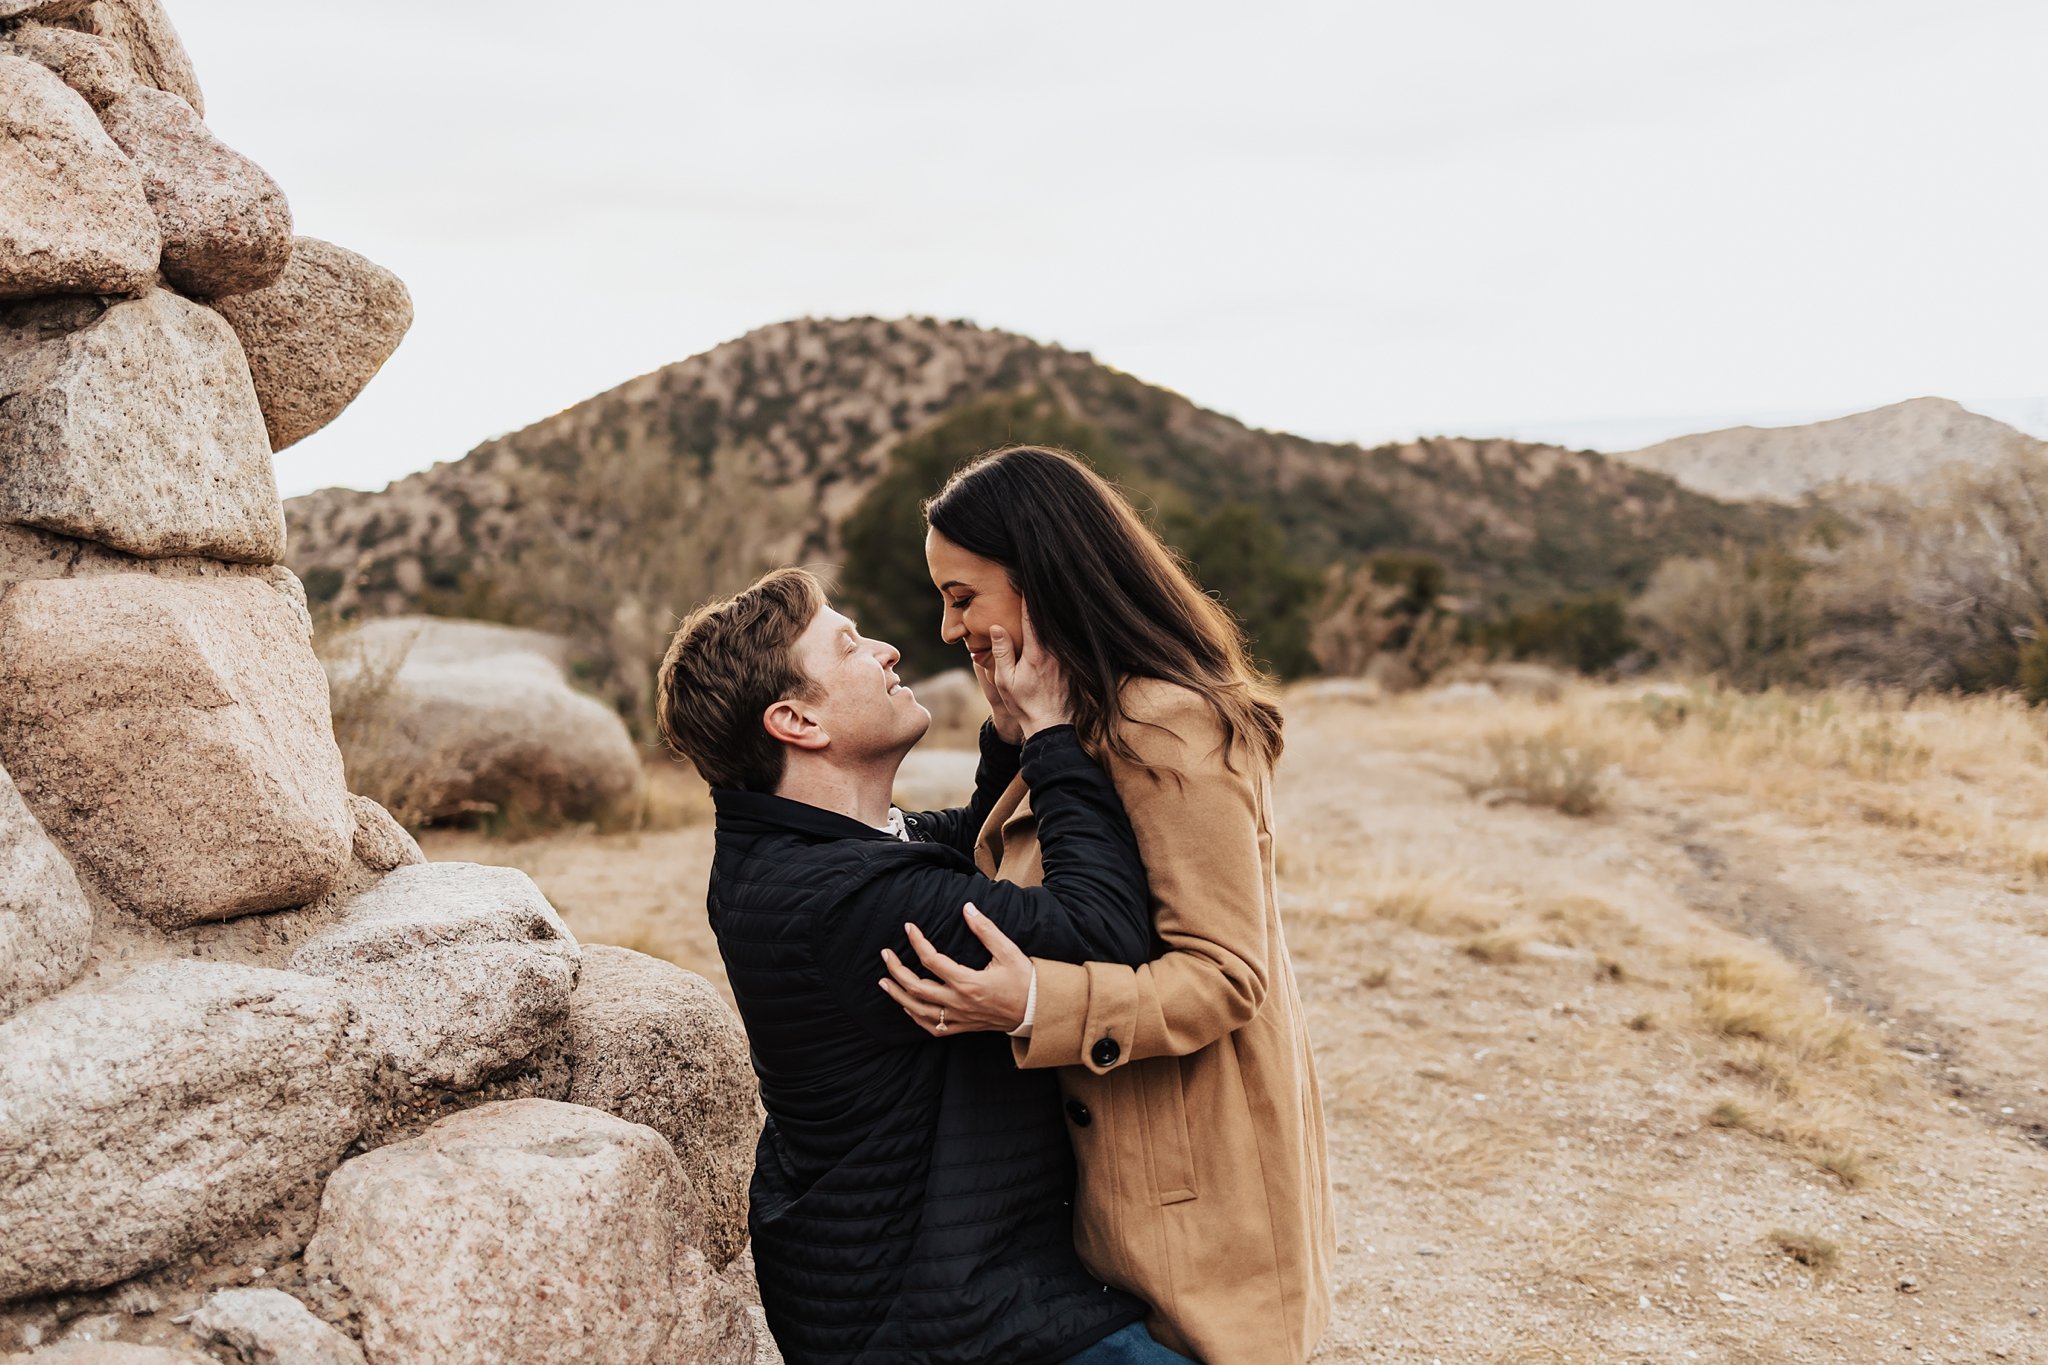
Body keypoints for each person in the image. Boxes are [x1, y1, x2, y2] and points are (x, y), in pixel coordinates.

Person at [654, 566, 1197, 1365]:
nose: (886, 649)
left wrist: (1008, 732)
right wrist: (1050, 734)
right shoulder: (842, 898)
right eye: (849, 645)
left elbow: (964, 850)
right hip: (955, 1320)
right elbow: (1103, 927)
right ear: (796, 718)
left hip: (886, 1288)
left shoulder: (798, 850)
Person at [877, 446, 1336, 1365]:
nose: (944, 625)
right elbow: (1002, 856)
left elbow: (1224, 975)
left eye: (963, 596)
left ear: (1040, 575)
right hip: (1097, 1191)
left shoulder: (1166, 719)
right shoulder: (1071, 719)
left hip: (1193, 1185)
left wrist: (1033, 1006)